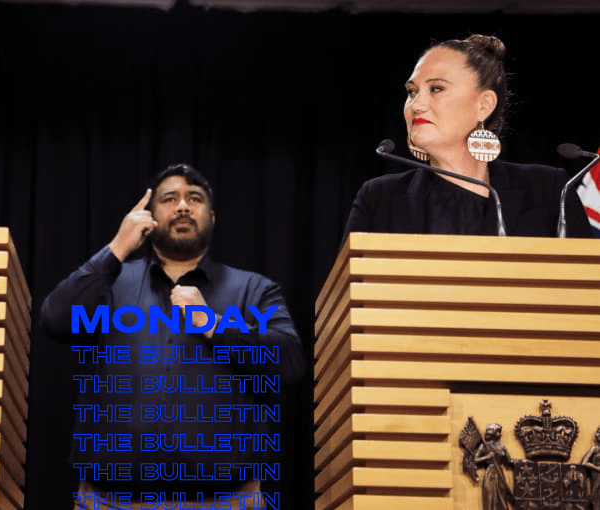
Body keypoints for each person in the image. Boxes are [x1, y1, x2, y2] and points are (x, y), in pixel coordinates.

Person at [40, 164, 305, 509]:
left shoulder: (254, 289)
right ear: (148, 217)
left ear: (212, 217)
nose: (182, 206)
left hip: (227, 500)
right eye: (169, 199)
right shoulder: (107, 286)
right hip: (109, 500)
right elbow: (54, 320)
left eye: (194, 199)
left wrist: (215, 325)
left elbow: (291, 365)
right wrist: (117, 248)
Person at [343, 34, 592, 238]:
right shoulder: (379, 198)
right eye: (411, 91)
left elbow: (588, 290)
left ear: (483, 105)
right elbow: (348, 294)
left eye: (436, 89)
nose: (416, 104)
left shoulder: (549, 191)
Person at [473, 423, 513, 510]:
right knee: (490, 495)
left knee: (502, 495)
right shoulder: (484, 446)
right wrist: (487, 457)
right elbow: (475, 460)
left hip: (500, 472)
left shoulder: (502, 446)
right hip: (490, 473)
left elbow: (509, 461)